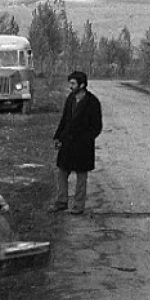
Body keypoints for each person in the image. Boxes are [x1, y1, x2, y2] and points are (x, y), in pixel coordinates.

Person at [48, 71, 103, 215]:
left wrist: (86, 139)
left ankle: (78, 206)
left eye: (73, 83)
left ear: (82, 85)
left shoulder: (93, 102)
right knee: (62, 172)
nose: (70, 86)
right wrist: (58, 137)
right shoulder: (70, 99)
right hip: (67, 143)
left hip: (83, 146)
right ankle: (61, 202)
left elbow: (97, 127)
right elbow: (64, 120)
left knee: (81, 177)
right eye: (70, 83)